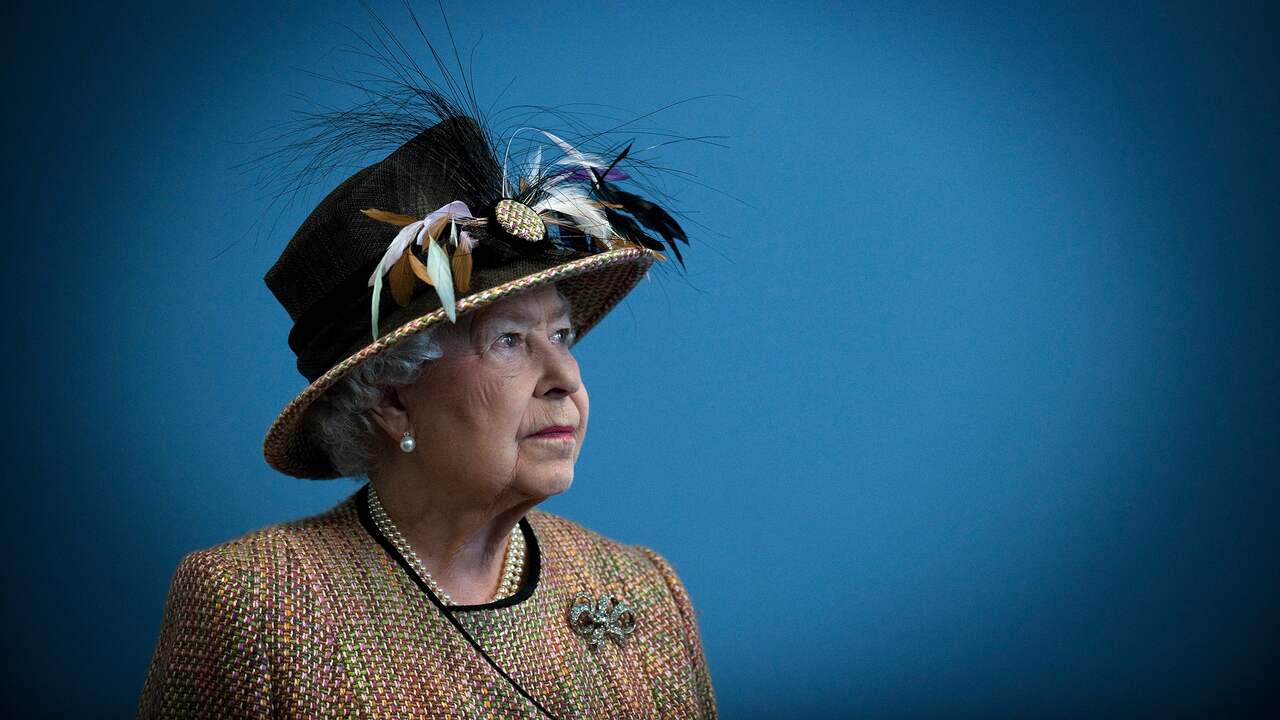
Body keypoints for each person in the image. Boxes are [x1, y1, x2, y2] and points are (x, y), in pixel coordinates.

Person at [135, 73, 715, 717]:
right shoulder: (256, 605)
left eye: (562, 334)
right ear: (391, 396)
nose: (566, 378)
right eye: (508, 341)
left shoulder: (644, 592)